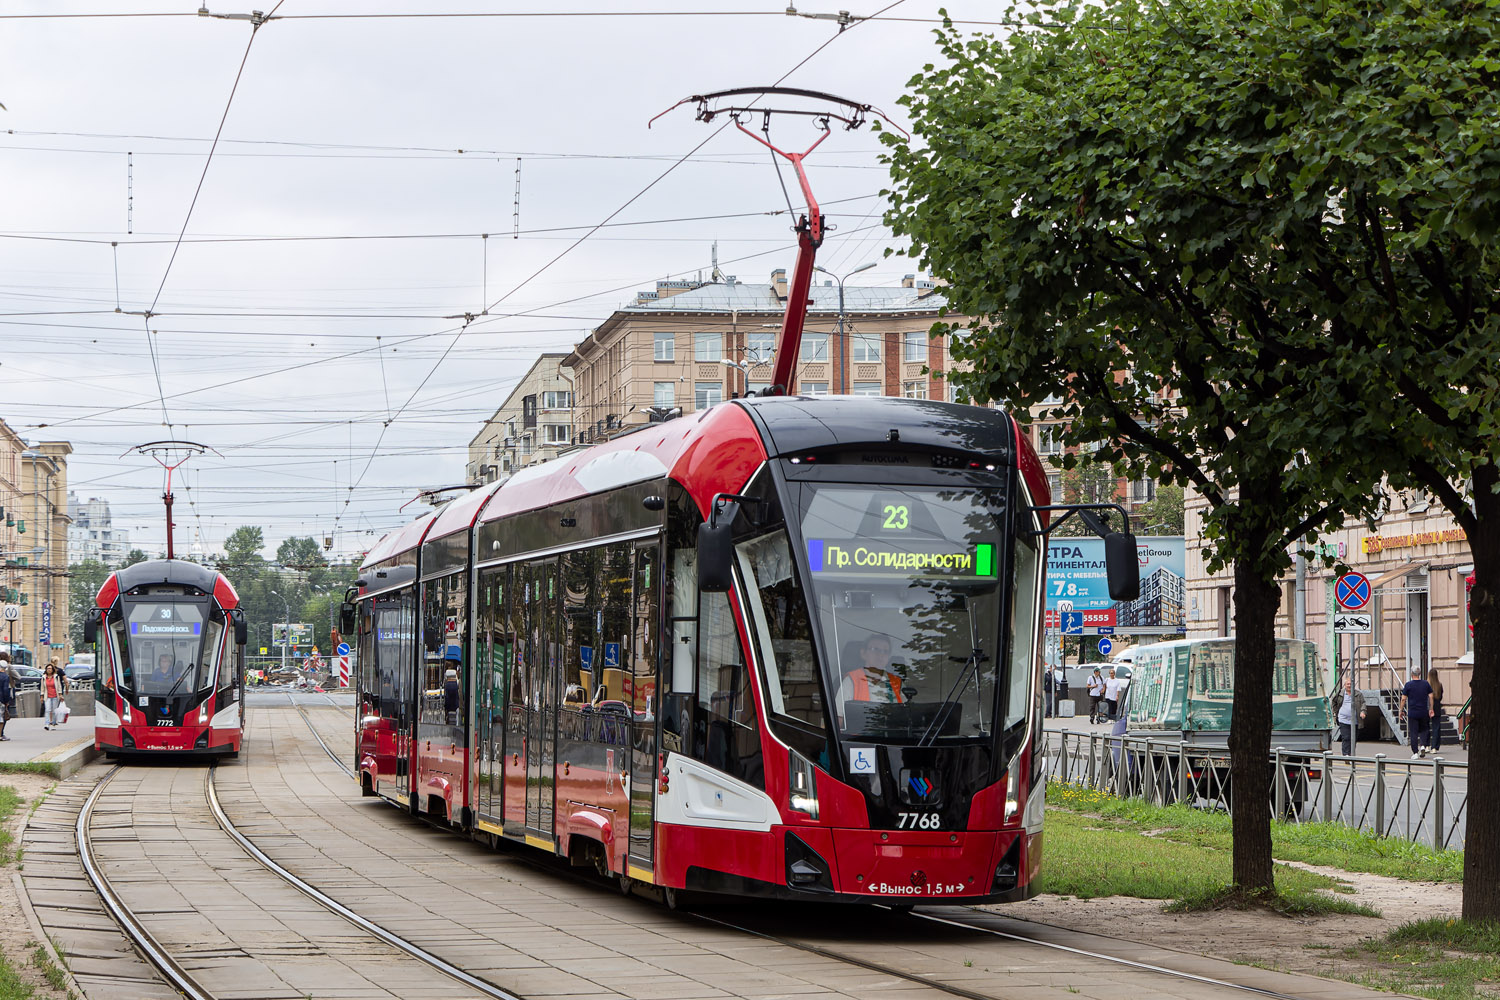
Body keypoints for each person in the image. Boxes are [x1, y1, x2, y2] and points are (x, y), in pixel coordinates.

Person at [837, 636, 906, 720]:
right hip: (860, 732)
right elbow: (839, 718)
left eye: (885, 651)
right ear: (863, 653)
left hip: (891, 732)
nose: (881, 654)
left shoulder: (897, 683)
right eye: (875, 649)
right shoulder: (851, 680)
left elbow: (906, 718)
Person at [1400, 664, 1435, 759]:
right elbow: (1431, 696)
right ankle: (1423, 745)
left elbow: (1403, 699)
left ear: (1412, 674)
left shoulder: (1408, 685)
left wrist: (1401, 710)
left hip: (1413, 712)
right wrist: (1431, 708)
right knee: (1424, 729)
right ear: (1419, 674)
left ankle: (1415, 752)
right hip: (1423, 711)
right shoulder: (1425, 684)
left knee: (1414, 732)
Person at [1330, 674, 1366, 757]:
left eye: (1351, 684)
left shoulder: (1358, 694)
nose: (1349, 685)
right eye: (1347, 684)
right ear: (1345, 685)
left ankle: (1351, 754)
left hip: (1355, 721)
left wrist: (1363, 711)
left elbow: (1363, 703)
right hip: (1343, 719)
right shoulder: (1340, 693)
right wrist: (1336, 712)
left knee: (1353, 739)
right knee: (1346, 738)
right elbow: (1334, 702)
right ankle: (1346, 755)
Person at [42, 659, 68, 731]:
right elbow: (42, 687)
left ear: (52, 670)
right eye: (47, 669)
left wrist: (60, 694)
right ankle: (47, 724)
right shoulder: (44, 677)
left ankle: (53, 723)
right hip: (47, 696)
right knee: (47, 710)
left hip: (55, 695)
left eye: (50, 669)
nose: (49, 670)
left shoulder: (56, 677)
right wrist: (41, 696)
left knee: (54, 710)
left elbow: (59, 686)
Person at [1427, 667, 1445, 752]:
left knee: (1426, 726)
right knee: (1436, 727)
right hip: (1437, 707)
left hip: (1427, 707)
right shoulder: (1439, 685)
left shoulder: (1427, 685)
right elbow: (1440, 697)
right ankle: (1434, 747)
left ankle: (1426, 745)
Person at [0, 652, 13, 742]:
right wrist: (6, 701)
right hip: (1, 699)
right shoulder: (5, 677)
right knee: (1, 718)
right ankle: (0, 735)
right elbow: (5, 690)